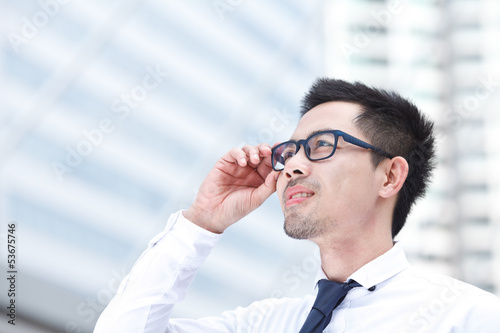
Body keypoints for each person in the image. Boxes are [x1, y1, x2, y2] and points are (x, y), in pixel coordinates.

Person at [94, 78, 500, 332]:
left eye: (321, 146)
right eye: (290, 151)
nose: (291, 166)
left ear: (390, 176)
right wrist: (202, 222)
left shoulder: (467, 318)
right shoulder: (263, 323)